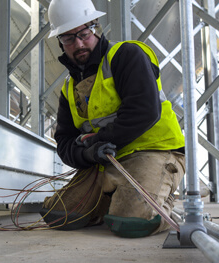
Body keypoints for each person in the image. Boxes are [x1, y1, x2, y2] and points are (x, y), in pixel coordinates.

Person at [40, 0, 186, 238]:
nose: (78, 44)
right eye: (68, 38)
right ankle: (115, 200)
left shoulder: (126, 55)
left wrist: (99, 139)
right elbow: (65, 142)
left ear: (94, 26)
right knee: (58, 216)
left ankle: (160, 200)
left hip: (153, 151)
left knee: (133, 222)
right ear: (60, 41)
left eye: (84, 34)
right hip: (103, 162)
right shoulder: (69, 89)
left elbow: (144, 111)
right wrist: (87, 154)